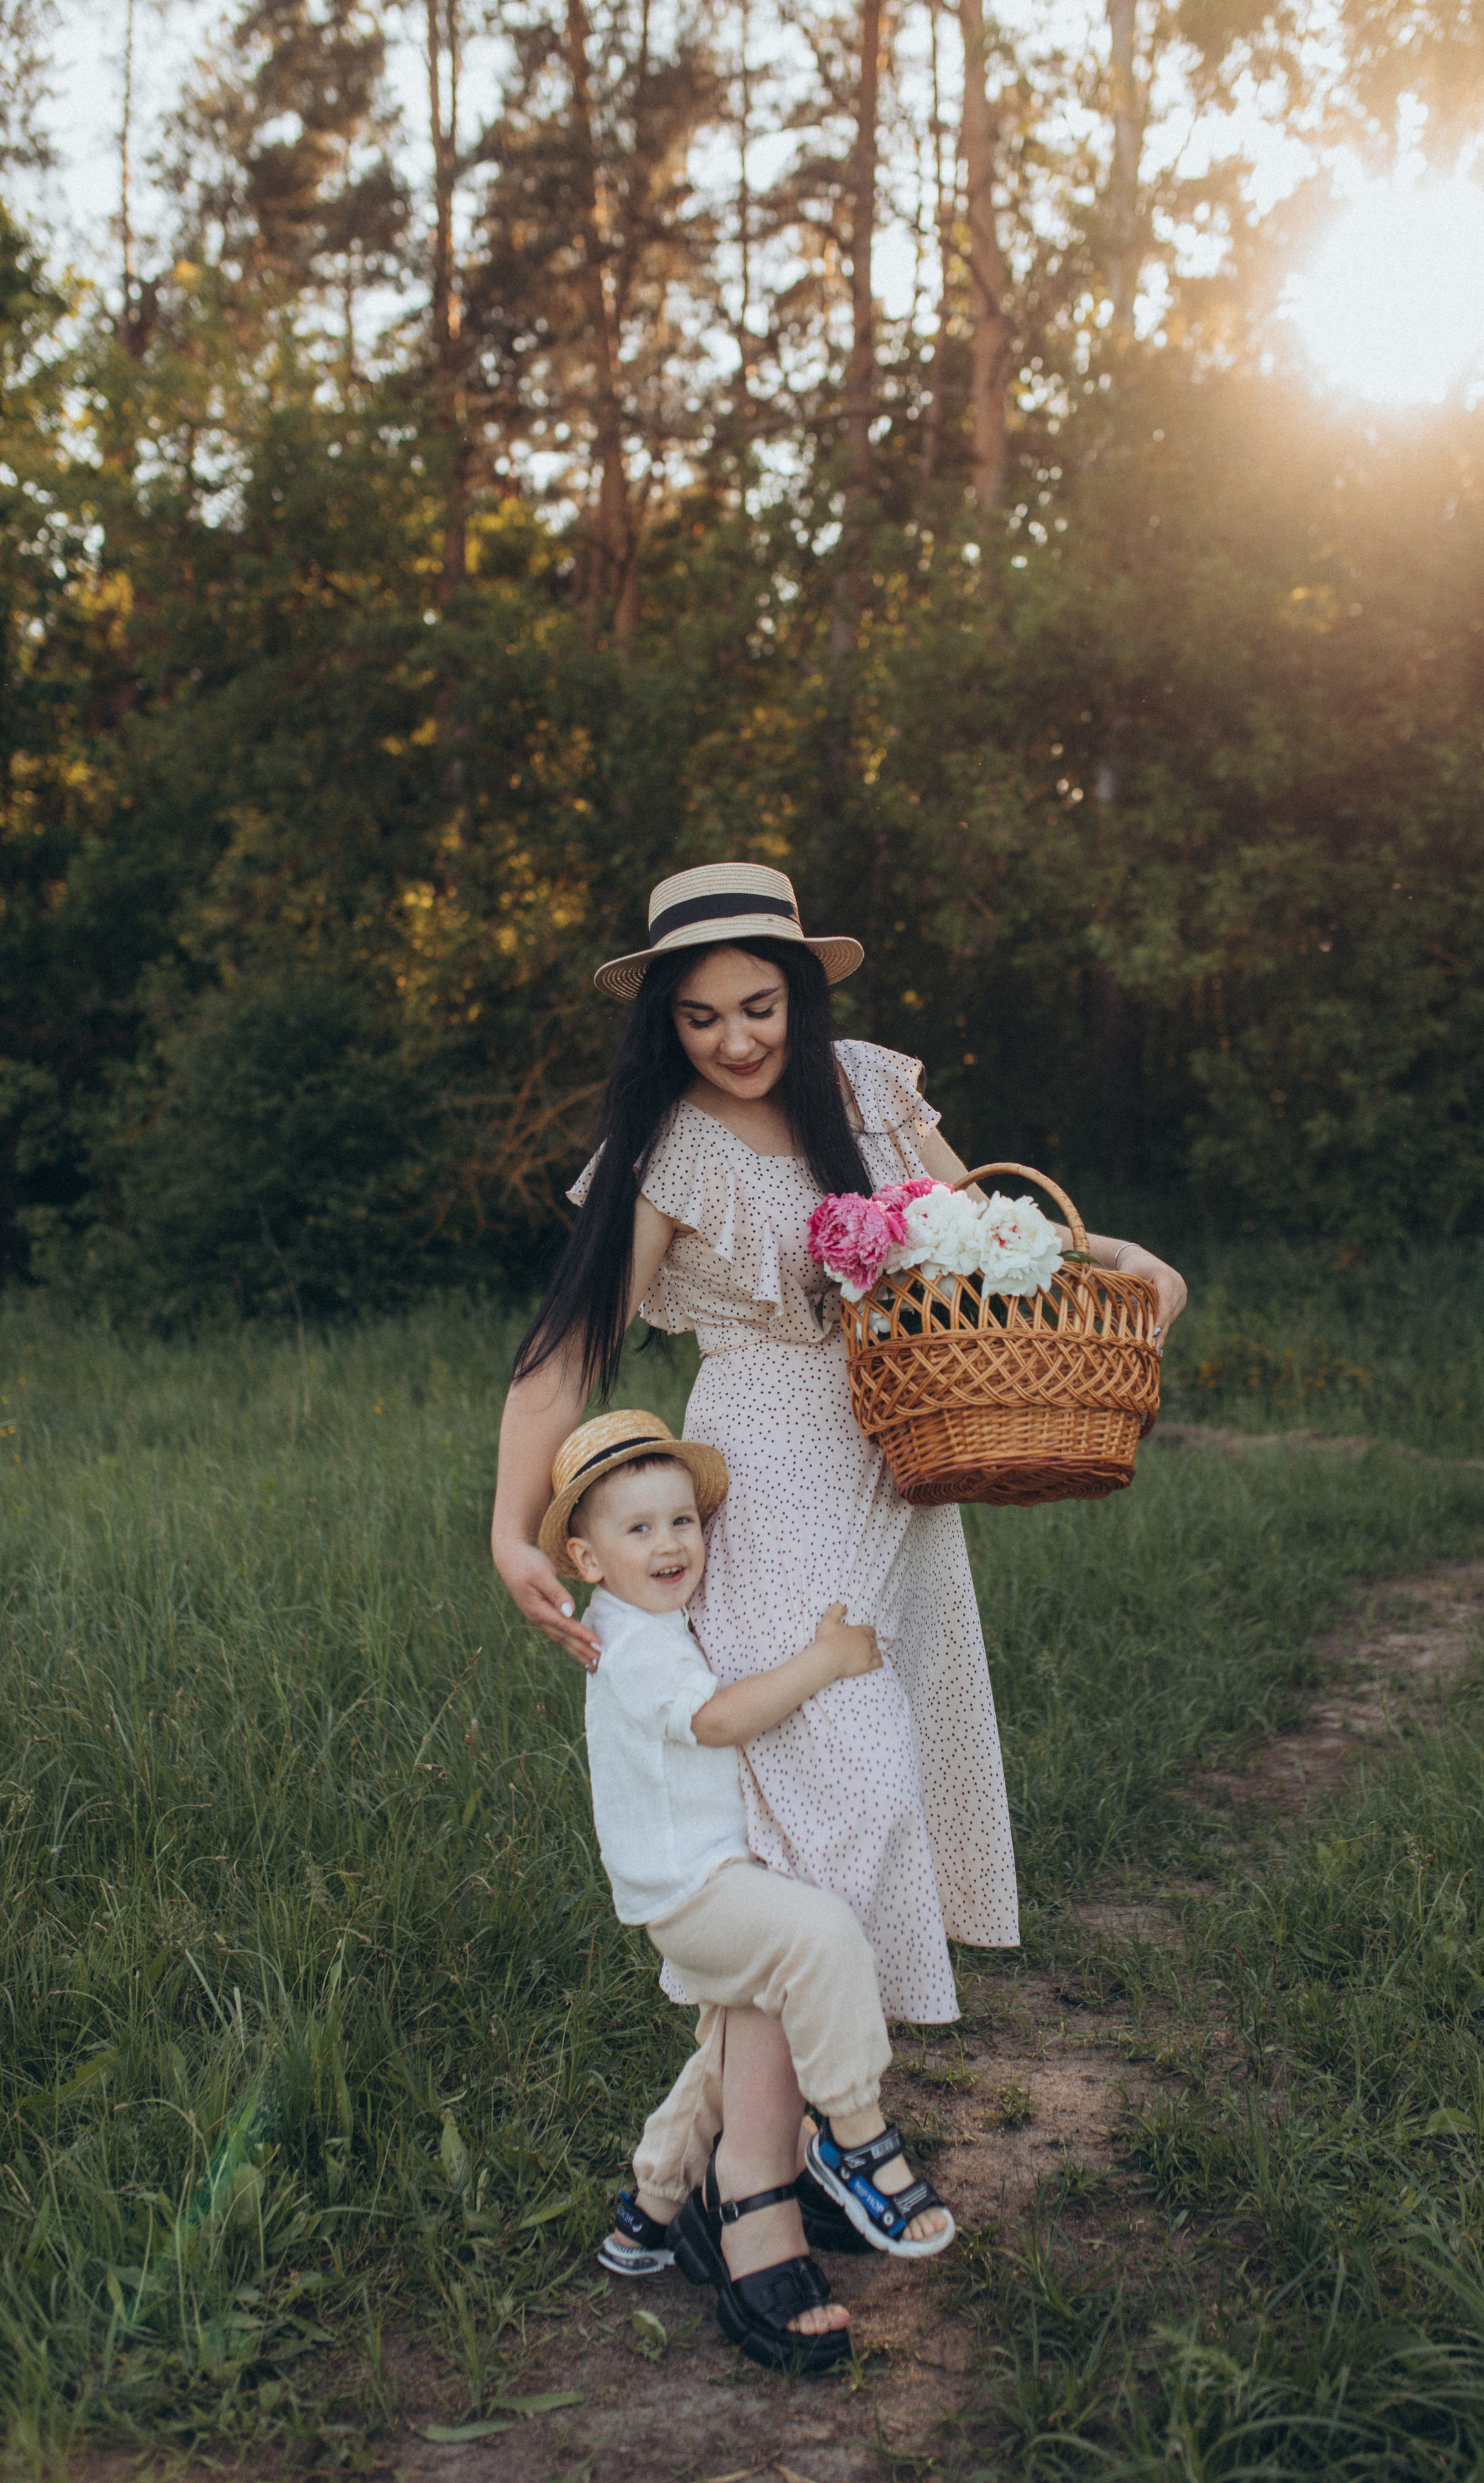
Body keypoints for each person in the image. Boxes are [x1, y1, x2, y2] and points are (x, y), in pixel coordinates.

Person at [491, 860, 1188, 2316]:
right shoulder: (667, 1151)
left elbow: (987, 1236)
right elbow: (565, 1348)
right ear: (664, 1029)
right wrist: (511, 1531)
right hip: (769, 1475)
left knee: (843, 1831)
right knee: (825, 1821)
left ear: (803, 993)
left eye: (757, 1005)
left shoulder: (868, 1085)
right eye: (699, 1019)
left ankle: (685, 2173)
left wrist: (1117, 1259)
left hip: (906, 1457)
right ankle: (758, 2196)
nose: (736, 1040)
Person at [541, 1408, 956, 2372]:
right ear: (587, 1558)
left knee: (734, 2029)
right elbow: (722, 1721)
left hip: (690, 1889)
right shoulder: (631, 1647)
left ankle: (649, 2210)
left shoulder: (653, 1621)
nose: (670, 1543)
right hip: (690, 1895)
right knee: (821, 1940)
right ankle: (854, 2137)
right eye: (637, 1529)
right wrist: (823, 1662)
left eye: (682, 1522)